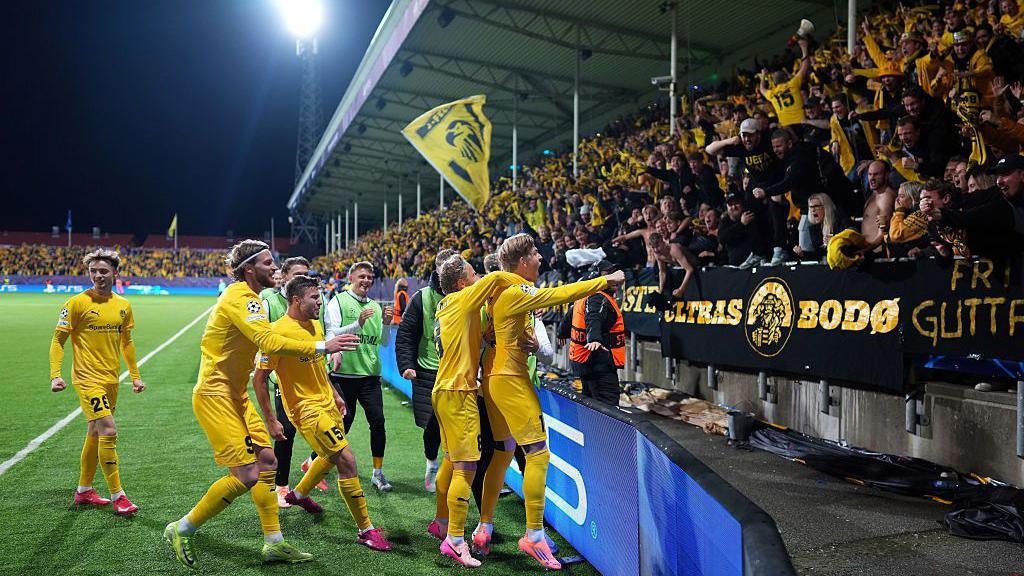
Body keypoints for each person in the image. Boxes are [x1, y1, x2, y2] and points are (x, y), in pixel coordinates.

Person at [163, 240, 358, 569]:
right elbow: (268, 342)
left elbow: (268, 345)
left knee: (267, 460)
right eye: (269, 263)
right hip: (216, 395)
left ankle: (274, 543)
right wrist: (324, 345)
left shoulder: (250, 299)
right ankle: (182, 528)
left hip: (235, 395)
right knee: (247, 474)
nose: (275, 268)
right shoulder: (242, 297)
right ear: (249, 269)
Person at [477, 233, 624, 570]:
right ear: (521, 261)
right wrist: (605, 280)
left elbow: (491, 334)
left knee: (501, 454)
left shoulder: (499, 293)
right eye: (535, 254)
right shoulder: (515, 290)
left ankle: (484, 526)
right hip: (512, 381)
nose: (542, 259)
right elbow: (561, 293)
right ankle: (533, 534)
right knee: (538, 454)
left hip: (496, 380)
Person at [252, 275, 392, 551]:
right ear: (296, 300)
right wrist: (270, 418)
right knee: (346, 460)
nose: (320, 301)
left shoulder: (314, 325)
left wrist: (336, 395)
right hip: (306, 409)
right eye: (314, 298)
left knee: (330, 455)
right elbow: (259, 378)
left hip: (327, 402)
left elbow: (318, 366)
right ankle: (366, 529)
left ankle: (299, 494)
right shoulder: (277, 333)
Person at [429, 257, 517, 567]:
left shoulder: (446, 306)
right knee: (467, 468)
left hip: (442, 389)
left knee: (452, 462)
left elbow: (473, 335)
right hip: (459, 391)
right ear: (462, 283)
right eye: (472, 272)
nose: (477, 275)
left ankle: (441, 522)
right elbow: (495, 278)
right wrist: (526, 287)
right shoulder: (464, 297)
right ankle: (454, 539)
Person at [49, 248, 144, 515]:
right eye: (93, 271)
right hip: (86, 378)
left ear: (115, 272)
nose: (98, 276)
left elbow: (127, 343)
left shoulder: (124, 306)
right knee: (108, 431)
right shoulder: (76, 303)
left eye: (103, 271)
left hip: (111, 379)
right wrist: (55, 374)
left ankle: (84, 491)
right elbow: (58, 340)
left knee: (94, 432)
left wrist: (135, 377)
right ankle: (119, 495)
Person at [323, 261, 395, 492]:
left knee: (378, 423)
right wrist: (358, 323)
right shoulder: (338, 301)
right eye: (361, 276)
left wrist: (385, 324)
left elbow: (383, 341)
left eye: (369, 276)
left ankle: (378, 473)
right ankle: (315, 463)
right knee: (342, 424)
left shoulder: (374, 306)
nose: (366, 280)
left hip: (369, 377)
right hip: (343, 376)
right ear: (351, 278)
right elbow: (332, 334)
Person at [258, 256, 319, 506]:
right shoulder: (269, 301)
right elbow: (262, 337)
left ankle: (312, 463)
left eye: (305, 272)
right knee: (287, 431)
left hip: (311, 374)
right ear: (283, 275)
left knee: (341, 420)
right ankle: (281, 485)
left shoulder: (311, 299)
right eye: (296, 274)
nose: (301, 277)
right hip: (280, 376)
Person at [395, 249, 456, 493]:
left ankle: (454, 470)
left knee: (456, 426)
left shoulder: (467, 295)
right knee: (432, 424)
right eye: (444, 269)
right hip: (427, 371)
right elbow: (406, 336)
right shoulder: (421, 298)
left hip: (457, 371)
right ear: (438, 270)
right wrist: (407, 365)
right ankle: (432, 463)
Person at [568, 260, 626, 405]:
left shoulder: (586, 294)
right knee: (608, 405)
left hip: (584, 360)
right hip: (597, 361)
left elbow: (570, 314)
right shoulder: (598, 297)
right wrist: (595, 339)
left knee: (590, 402)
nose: (613, 277)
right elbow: (593, 316)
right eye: (608, 274)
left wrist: (561, 332)